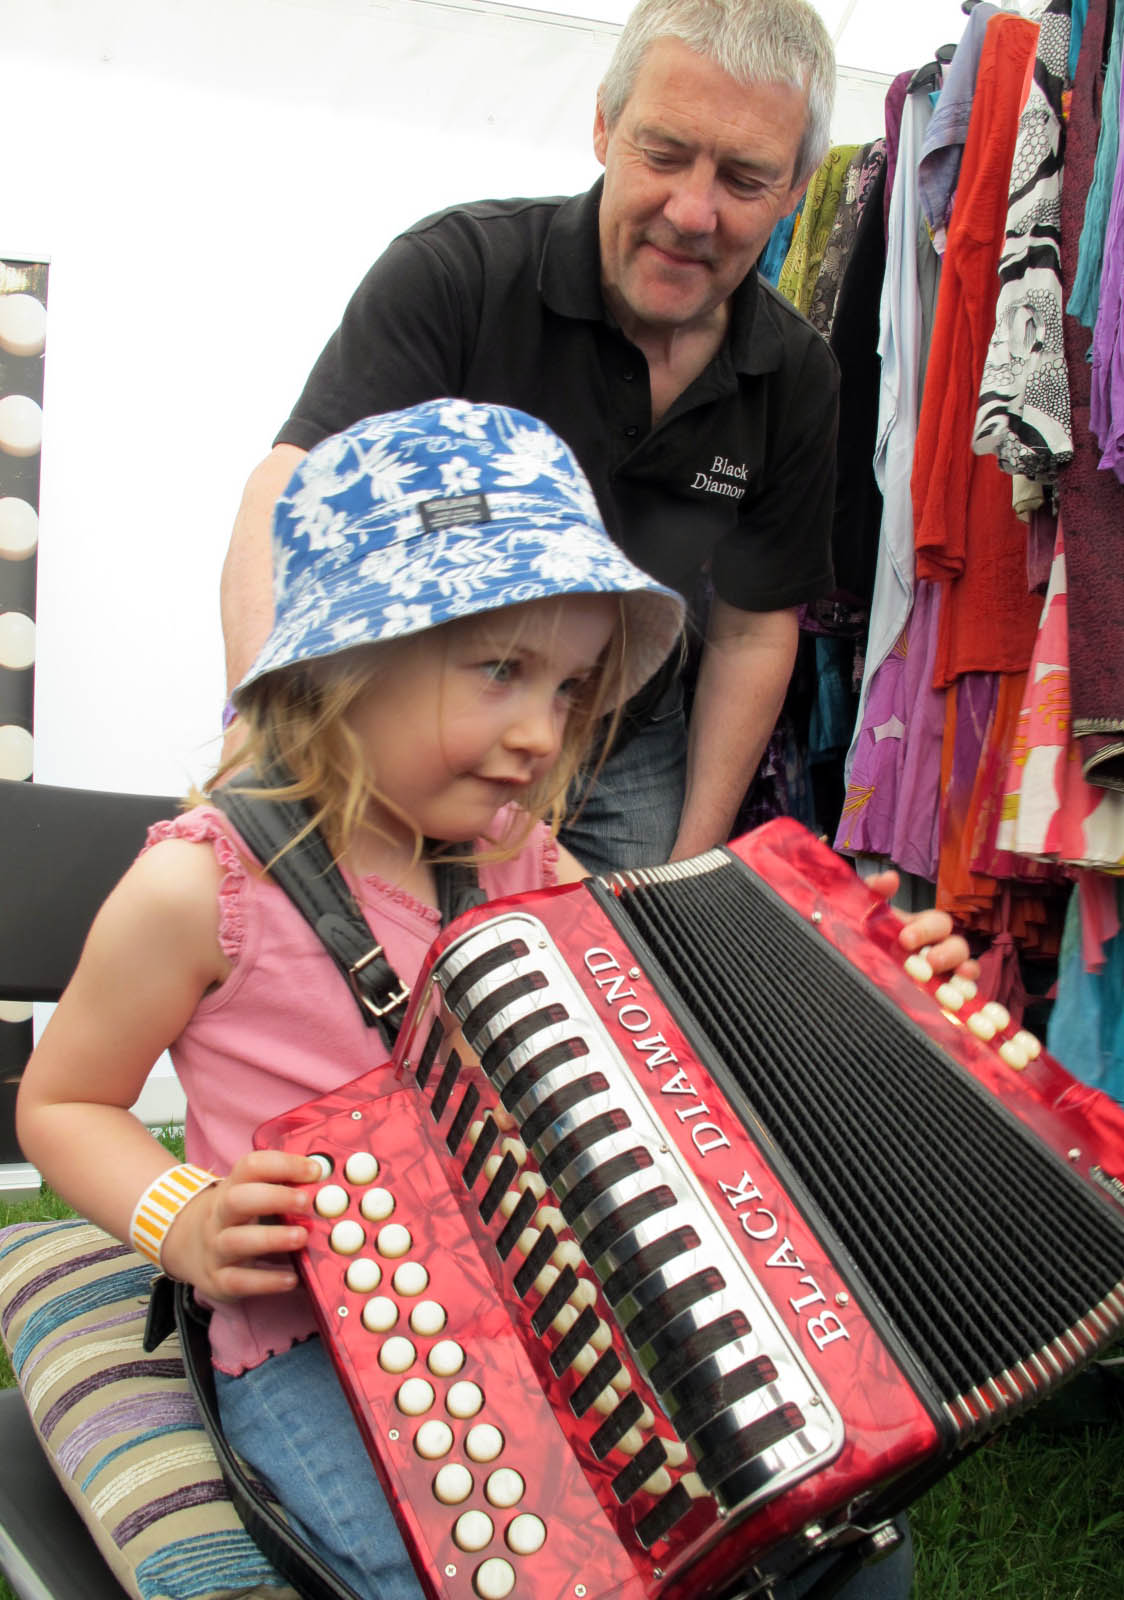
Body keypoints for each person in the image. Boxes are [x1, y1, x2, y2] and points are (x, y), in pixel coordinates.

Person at [19, 401, 967, 1600]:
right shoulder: (199, 887)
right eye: (501, 670)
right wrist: (182, 1217)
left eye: (566, 688)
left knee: (831, 1554)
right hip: (318, 1340)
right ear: (344, 657)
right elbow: (63, 1103)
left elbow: (664, 1027)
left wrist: (857, 979)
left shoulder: (519, 855)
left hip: (551, 1306)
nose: (538, 732)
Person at [220, 0, 839, 875]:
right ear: (604, 125)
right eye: (664, 153)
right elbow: (292, 483)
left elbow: (751, 629)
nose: (693, 212)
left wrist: (686, 866)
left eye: (744, 180)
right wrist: (269, 738)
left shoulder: (798, 372)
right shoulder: (457, 273)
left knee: (613, 951)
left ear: (797, 189)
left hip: (631, 739)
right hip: (433, 710)